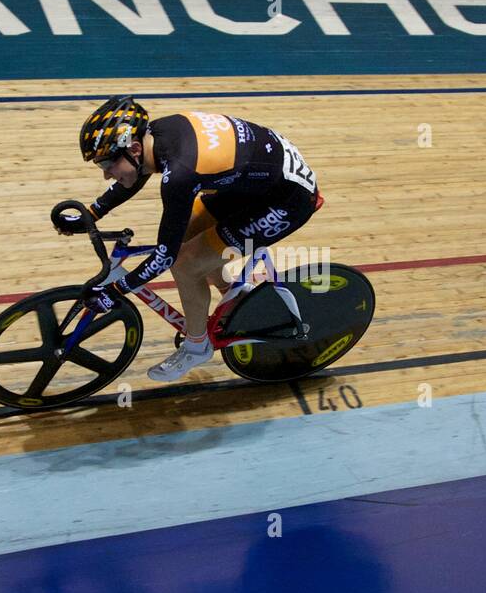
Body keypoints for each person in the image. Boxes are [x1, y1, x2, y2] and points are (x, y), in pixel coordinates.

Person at [57, 95, 323, 382]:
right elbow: (137, 173)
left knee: (184, 263)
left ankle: (197, 347)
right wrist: (92, 213)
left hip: (286, 200)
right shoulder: (157, 135)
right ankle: (234, 294)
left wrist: (117, 290)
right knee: (187, 239)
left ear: (133, 148)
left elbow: (164, 257)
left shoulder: (181, 173)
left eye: (107, 164)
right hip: (254, 181)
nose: (107, 175)